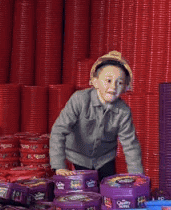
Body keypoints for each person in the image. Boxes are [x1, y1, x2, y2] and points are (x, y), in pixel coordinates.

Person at [49, 51, 145, 180]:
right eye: (108, 81)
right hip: (77, 157)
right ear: (94, 82)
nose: (113, 87)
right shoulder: (80, 100)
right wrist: (59, 166)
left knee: (107, 192)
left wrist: (137, 177)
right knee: (82, 194)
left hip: (105, 159)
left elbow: (130, 145)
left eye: (120, 83)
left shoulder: (123, 111)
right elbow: (58, 131)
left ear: (126, 87)